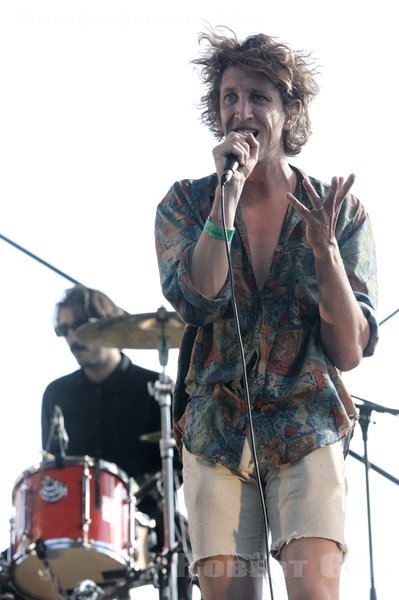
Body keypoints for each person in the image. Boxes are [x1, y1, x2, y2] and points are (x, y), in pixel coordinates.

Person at [155, 26, 379, 600]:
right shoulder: (185, 202)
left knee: (313, 592)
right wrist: (223, 204)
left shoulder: (340, 211)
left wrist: (327, 252)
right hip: (216, 433)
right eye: (230, 97)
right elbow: (200, 298)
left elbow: (349, 351)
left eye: (258, 97)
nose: (241, 111)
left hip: (306, 425)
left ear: (290, 109)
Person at [40, 285, 194, 599]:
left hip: (147, 512)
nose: (71, 338)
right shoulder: (56, 394)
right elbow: (54, 471)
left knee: (181, 542)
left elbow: (180, 466)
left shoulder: (156, 387)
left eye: (79, 326)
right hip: (78, 521)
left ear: (106, 325)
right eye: (64, 330)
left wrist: (134, 495)